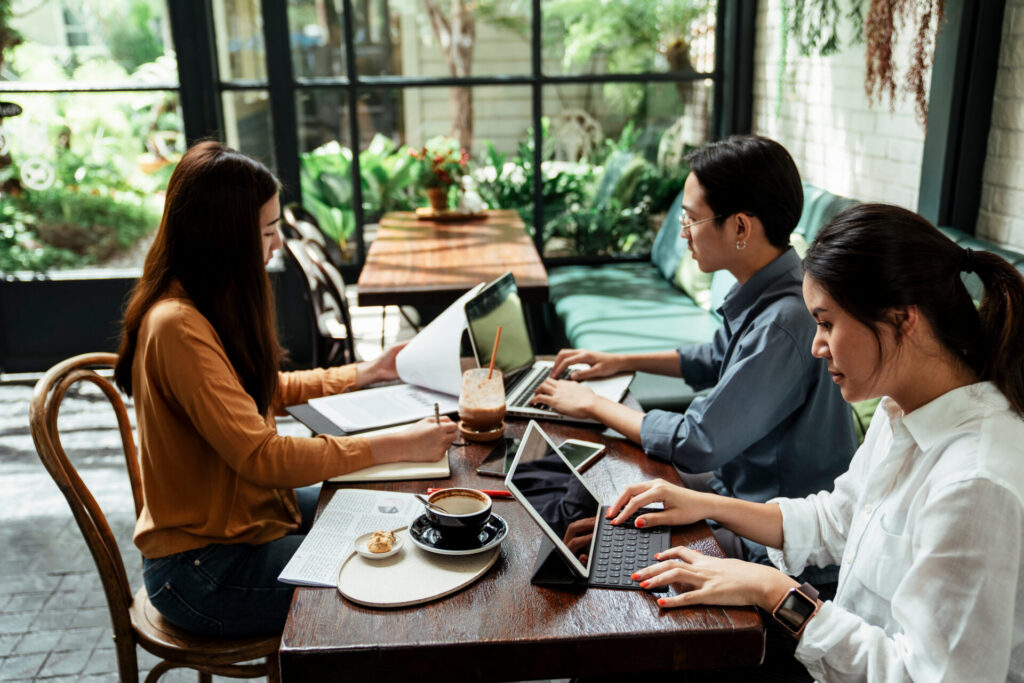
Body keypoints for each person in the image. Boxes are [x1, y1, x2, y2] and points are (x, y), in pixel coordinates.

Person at [610, 203, 1024, 681]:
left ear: (902, 319)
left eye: (826, 323)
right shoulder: (901, 412)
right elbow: (835, 519)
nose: (815, 345)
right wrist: (704, 504)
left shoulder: (975, 481)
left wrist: (773, 591)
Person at [113, 141, 457, 637]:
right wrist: (396, 443)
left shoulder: (198, 301)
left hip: (249, 519)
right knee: (397, 568)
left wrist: (367, 372)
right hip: (205, 570)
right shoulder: (177, 325)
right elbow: (265, 458)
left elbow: (261, 389)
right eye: (269, 230)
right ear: (224, 237)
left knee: (387, 505)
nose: (276, 245)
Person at [532, 135, 856, 576]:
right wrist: (622, 361)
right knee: (590, 495)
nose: (684, 233)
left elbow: (697, 443)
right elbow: (715, 356)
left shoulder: (785, 321)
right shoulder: (773, 287)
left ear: (740, 227)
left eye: (691, 220)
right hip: (735, 489)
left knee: (596, 537)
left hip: (770, 538)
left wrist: (594, 404)